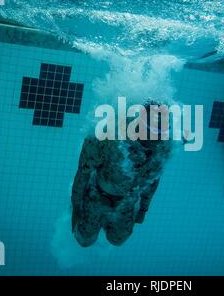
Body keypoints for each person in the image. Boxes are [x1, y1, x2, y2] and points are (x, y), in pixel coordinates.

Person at [71, 100, 172, 247]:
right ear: (140, 122)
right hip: (97, 194)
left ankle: (108, 221)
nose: (156, 140)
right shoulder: (109, 136)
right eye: (152, 131)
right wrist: (76, 204)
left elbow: (153, 180)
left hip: (127, 200)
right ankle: (91, 196)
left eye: (161, 133)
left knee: (117, 241)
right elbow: (83, 172)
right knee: (84, 239)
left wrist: (143, 209)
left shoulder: (162, 148)